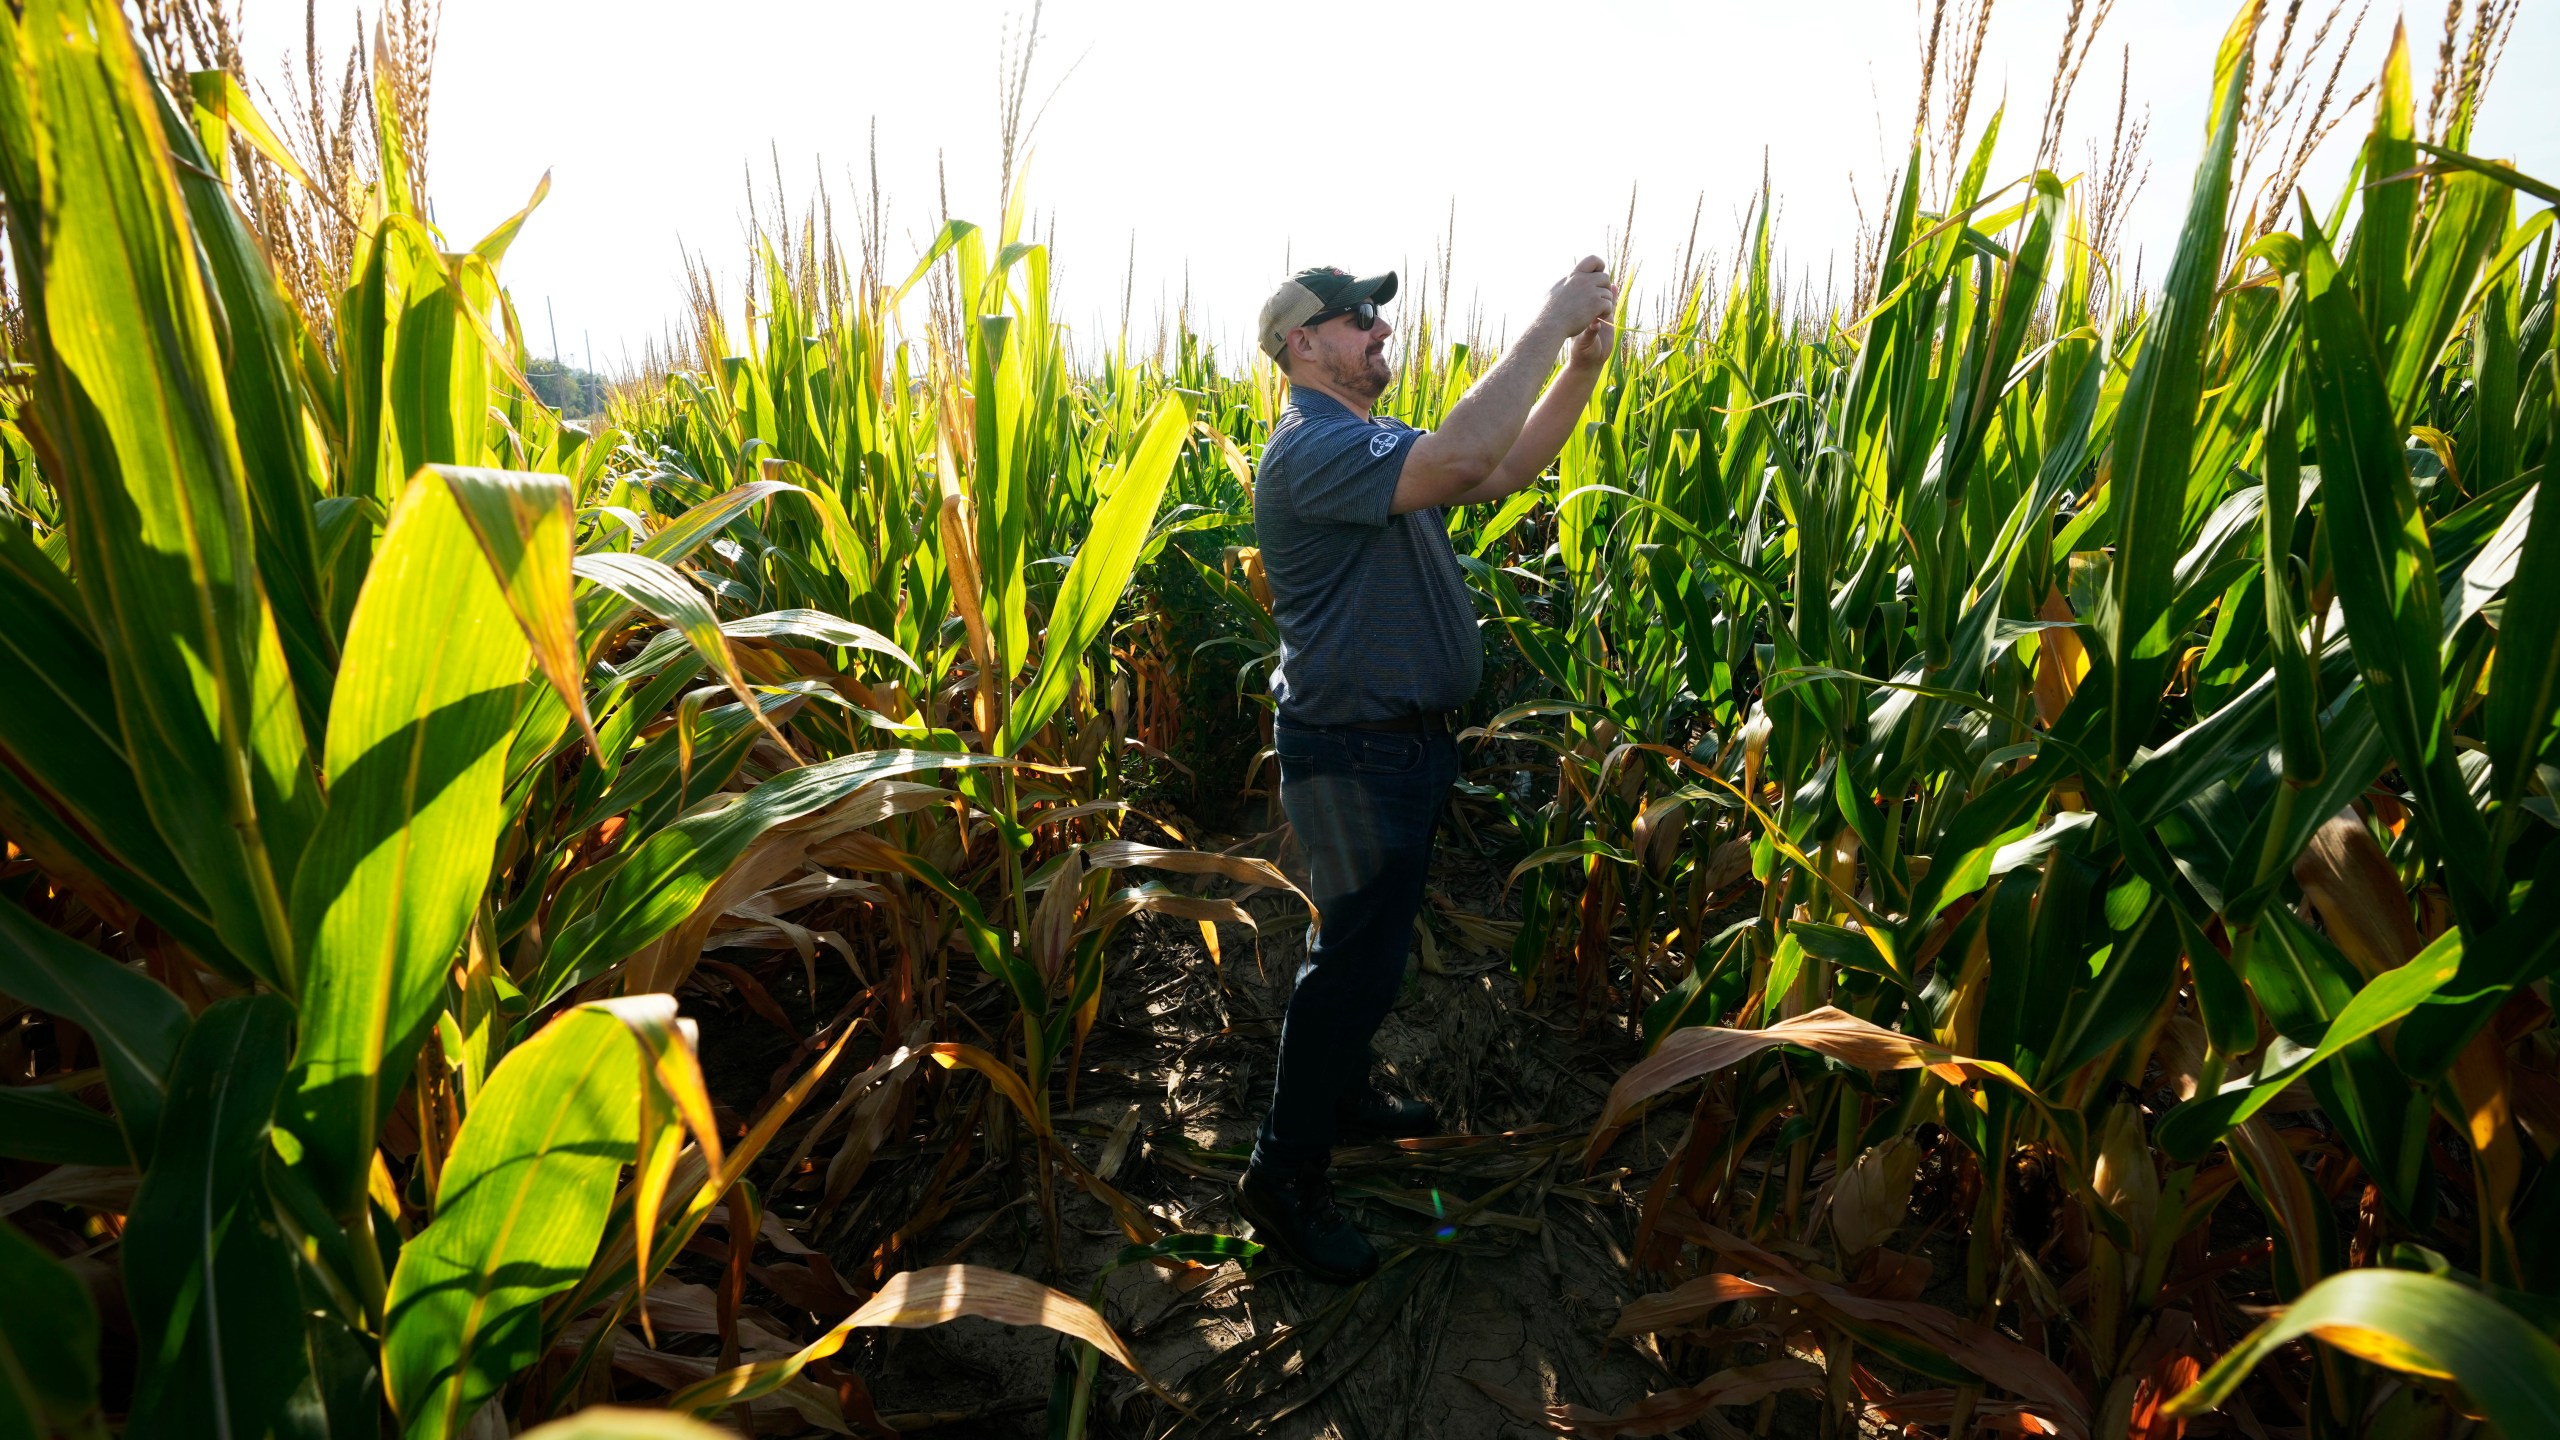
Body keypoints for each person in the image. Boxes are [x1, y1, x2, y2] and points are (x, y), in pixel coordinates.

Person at [1238, 257, 1619, 1282]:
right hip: (1353, 753)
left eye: (1377, 315)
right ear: (1299, 345)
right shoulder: (1309, 449)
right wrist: (1547, 316)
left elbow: (1496, 472)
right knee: (1350, 962)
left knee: (1374, 947)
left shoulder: (1367, 444)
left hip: (1395, 748)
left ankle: (1346, 1090)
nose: (1376, 328)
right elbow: (1460, 462)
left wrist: (1579, 370)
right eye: (1354, 317)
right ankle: (1283, 1174)